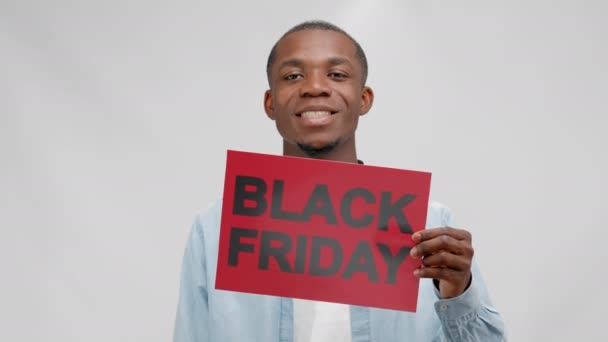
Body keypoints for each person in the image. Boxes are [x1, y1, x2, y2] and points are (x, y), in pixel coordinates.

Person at [173, 20, 506, 342]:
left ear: (364, 99)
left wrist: (458, 292)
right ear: (270, 102)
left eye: (336, 74)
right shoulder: (215, 229)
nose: (315, 87)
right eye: (293, 75)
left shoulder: (428, 224)